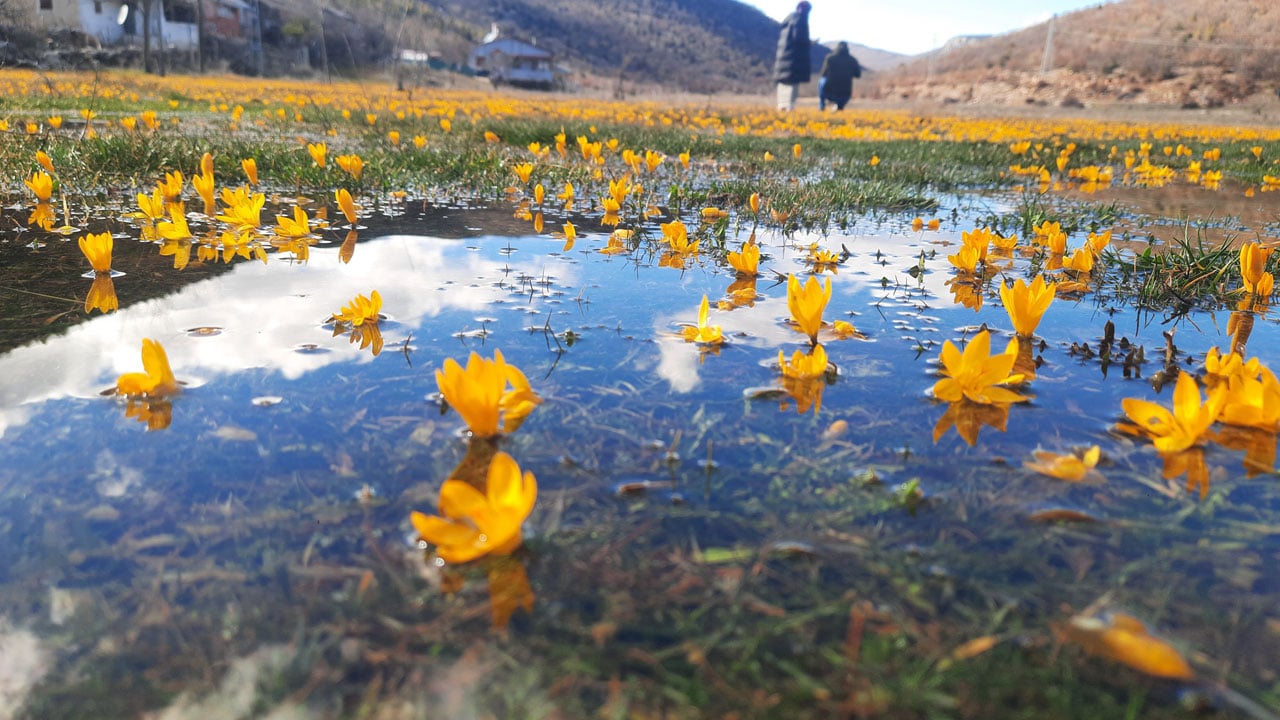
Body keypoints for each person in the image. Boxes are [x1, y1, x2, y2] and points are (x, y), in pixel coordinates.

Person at [773, 1, 812, 112]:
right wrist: (809, 43)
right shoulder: (800, 19)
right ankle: (789, 107)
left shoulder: (788, 21)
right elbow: (799, 37)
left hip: (783, 58)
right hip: (794, 59)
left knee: (783, 82)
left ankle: (781, 106)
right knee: (792, 83)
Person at [819, 41, 861, 111]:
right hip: (845, 94)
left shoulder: (830, 58)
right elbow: (858, 75)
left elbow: (823, 73)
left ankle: (822, 105)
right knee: (823, 80)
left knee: (821, 80)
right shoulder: (853, 60)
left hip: (829, 92)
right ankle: (839, 106)